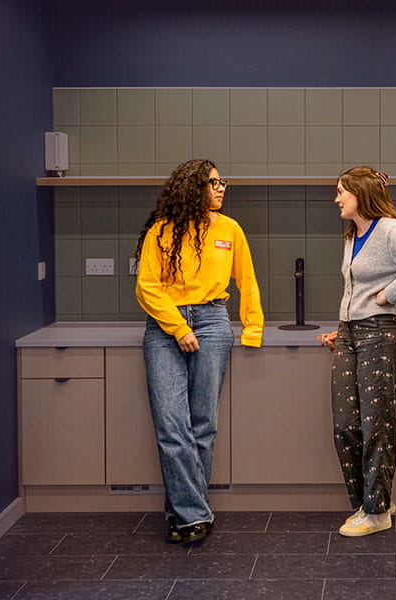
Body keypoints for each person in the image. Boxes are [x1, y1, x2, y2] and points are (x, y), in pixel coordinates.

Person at [135, 159, 263, 544]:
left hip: (213, 322)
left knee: (202, 425)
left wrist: (252, 329)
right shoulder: (161, 230)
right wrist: (178, 327)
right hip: (164, 328)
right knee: (172, 426)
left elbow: (247, 280)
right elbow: (146, 287)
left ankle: (183, 515)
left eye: (223, 181)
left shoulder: (229, 229)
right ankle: (196, 514)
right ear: (192, 188)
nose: (222, 188)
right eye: (213, 182)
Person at [317, 166, 396, 537]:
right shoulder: (352, 235)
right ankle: (369, 501)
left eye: (341, 192)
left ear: (360, 194)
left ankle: (377, 511)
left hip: (383, 334)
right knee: (345, 426)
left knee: (376, 426)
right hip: (352, 334)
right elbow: (354, 288)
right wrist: (342, 326)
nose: (336, 199)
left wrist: (390, 294)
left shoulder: (387, 229)